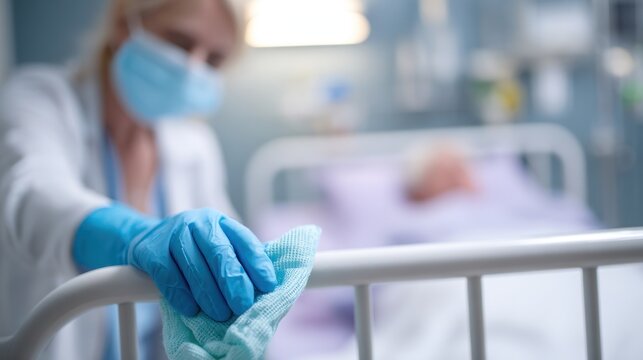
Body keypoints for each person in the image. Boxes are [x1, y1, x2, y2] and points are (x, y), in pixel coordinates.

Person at [0, 0, 277, 359]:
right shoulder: (40, 99)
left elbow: (223, 256)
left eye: (213, 60)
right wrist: (133, 235)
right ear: (122, 24)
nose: (193, 68)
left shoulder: (194, 145)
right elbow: (33, 198)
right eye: (179, 41)